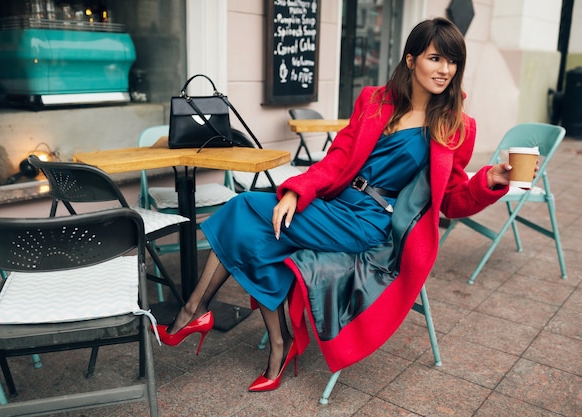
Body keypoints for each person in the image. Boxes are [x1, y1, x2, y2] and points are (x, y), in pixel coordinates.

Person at [154, 17, 514, 391]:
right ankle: (277, 345)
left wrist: (488, 182)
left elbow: (451, 200)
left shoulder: (455, 125)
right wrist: (295, 191)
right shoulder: (374, 101)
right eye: (435, 58)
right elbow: (338, 158)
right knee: (260, 238)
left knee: (242, 207)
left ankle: (195, 312)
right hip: (337, 204)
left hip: (370, 221)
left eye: (452, 62)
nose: (445, 70)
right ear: (411, 60)